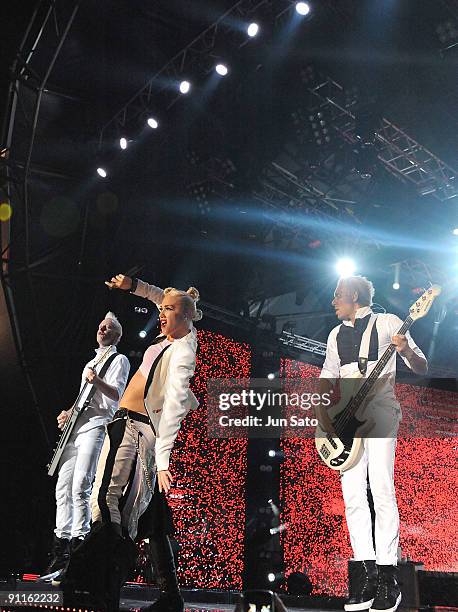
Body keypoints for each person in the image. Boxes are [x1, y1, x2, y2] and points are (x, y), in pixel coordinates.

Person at [62, 275, 202, 612]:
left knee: (106, 499)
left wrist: (165, 459)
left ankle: (96, 580)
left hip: (136, 428)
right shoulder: (171, 335)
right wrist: (134, 285)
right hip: (131, 427)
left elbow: (174, 405)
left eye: (169, 310)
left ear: (185, 317)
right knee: (126, 512)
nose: (162, 313)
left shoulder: (182, 351)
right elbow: (160, 297)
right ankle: (107, 583)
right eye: (162, 308)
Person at [317, 276, 427, 612]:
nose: (334, 301)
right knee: (352, 497)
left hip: (379, 409)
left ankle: (388, 579)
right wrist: (325, 417)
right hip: (346, 417)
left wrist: (405, 348)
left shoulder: (389, 322)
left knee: (380, 488)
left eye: (338, 296)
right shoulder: (335, 335)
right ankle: (366, 577)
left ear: (353, 296)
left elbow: (421, 366)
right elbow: (327, 377)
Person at [45, 312, 130, 576]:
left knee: (82, 484)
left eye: (109, 327)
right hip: (76, 429)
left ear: (117, 335)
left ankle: (78, 549)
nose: (103, 329)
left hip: (96, 426)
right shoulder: (91, 362)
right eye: (101, 326)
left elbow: (116, 394)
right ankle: (61, 552)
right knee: (63, 487)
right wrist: (69, 411)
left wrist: (97, 381)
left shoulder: (119, 359)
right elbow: (83, 396)